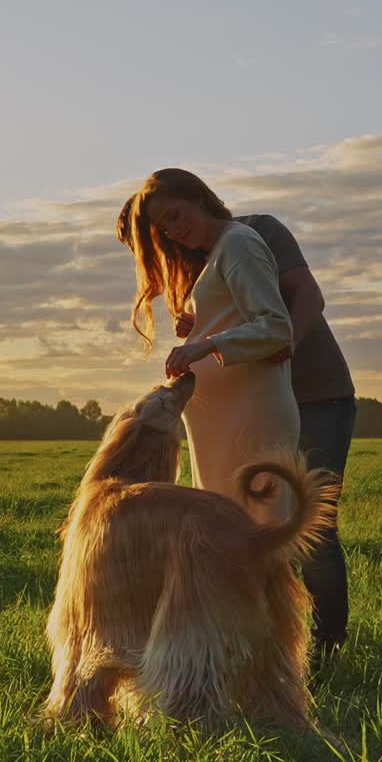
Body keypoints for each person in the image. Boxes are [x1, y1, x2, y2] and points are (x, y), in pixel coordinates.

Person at [118, 176, 356, 661]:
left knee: (308, 525)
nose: (168, 237)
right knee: (245, 523)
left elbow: (300, 301)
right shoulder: (200, 258)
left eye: (171, 220)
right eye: (157, 234)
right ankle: (258, 641)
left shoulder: (254, 233)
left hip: (315, 393)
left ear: (198, 200)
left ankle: (325, 647)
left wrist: (279, 347)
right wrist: (203, 327)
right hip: (249, 404)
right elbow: (229, 320)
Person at [124, 168, 299, 527]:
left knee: (256, 536)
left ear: (199, 198)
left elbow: (277, 327)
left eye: (174, 215)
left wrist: (205, 344)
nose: (173, 230)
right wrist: (195, 319)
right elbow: (235, 314)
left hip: (249, 420)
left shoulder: (238, 243)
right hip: (226, 425)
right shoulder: (220, 251)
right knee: (228, 541)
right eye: (165, 227)